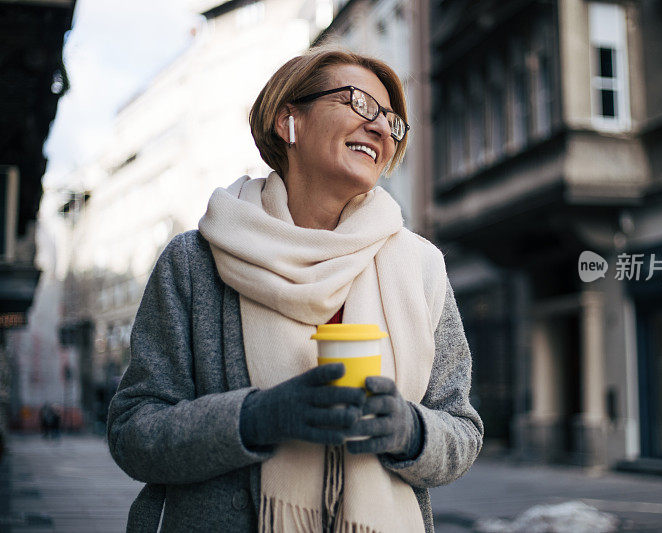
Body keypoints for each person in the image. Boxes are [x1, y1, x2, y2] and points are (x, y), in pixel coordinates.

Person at [107, 47, 483, 532]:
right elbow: (133, 431)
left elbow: (463, 430)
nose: (381, 128)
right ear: (290, 122)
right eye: (359, 103)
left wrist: (410, 431)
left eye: (392, 121)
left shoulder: (422, 268)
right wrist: (255, 417)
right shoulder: (196, 261)